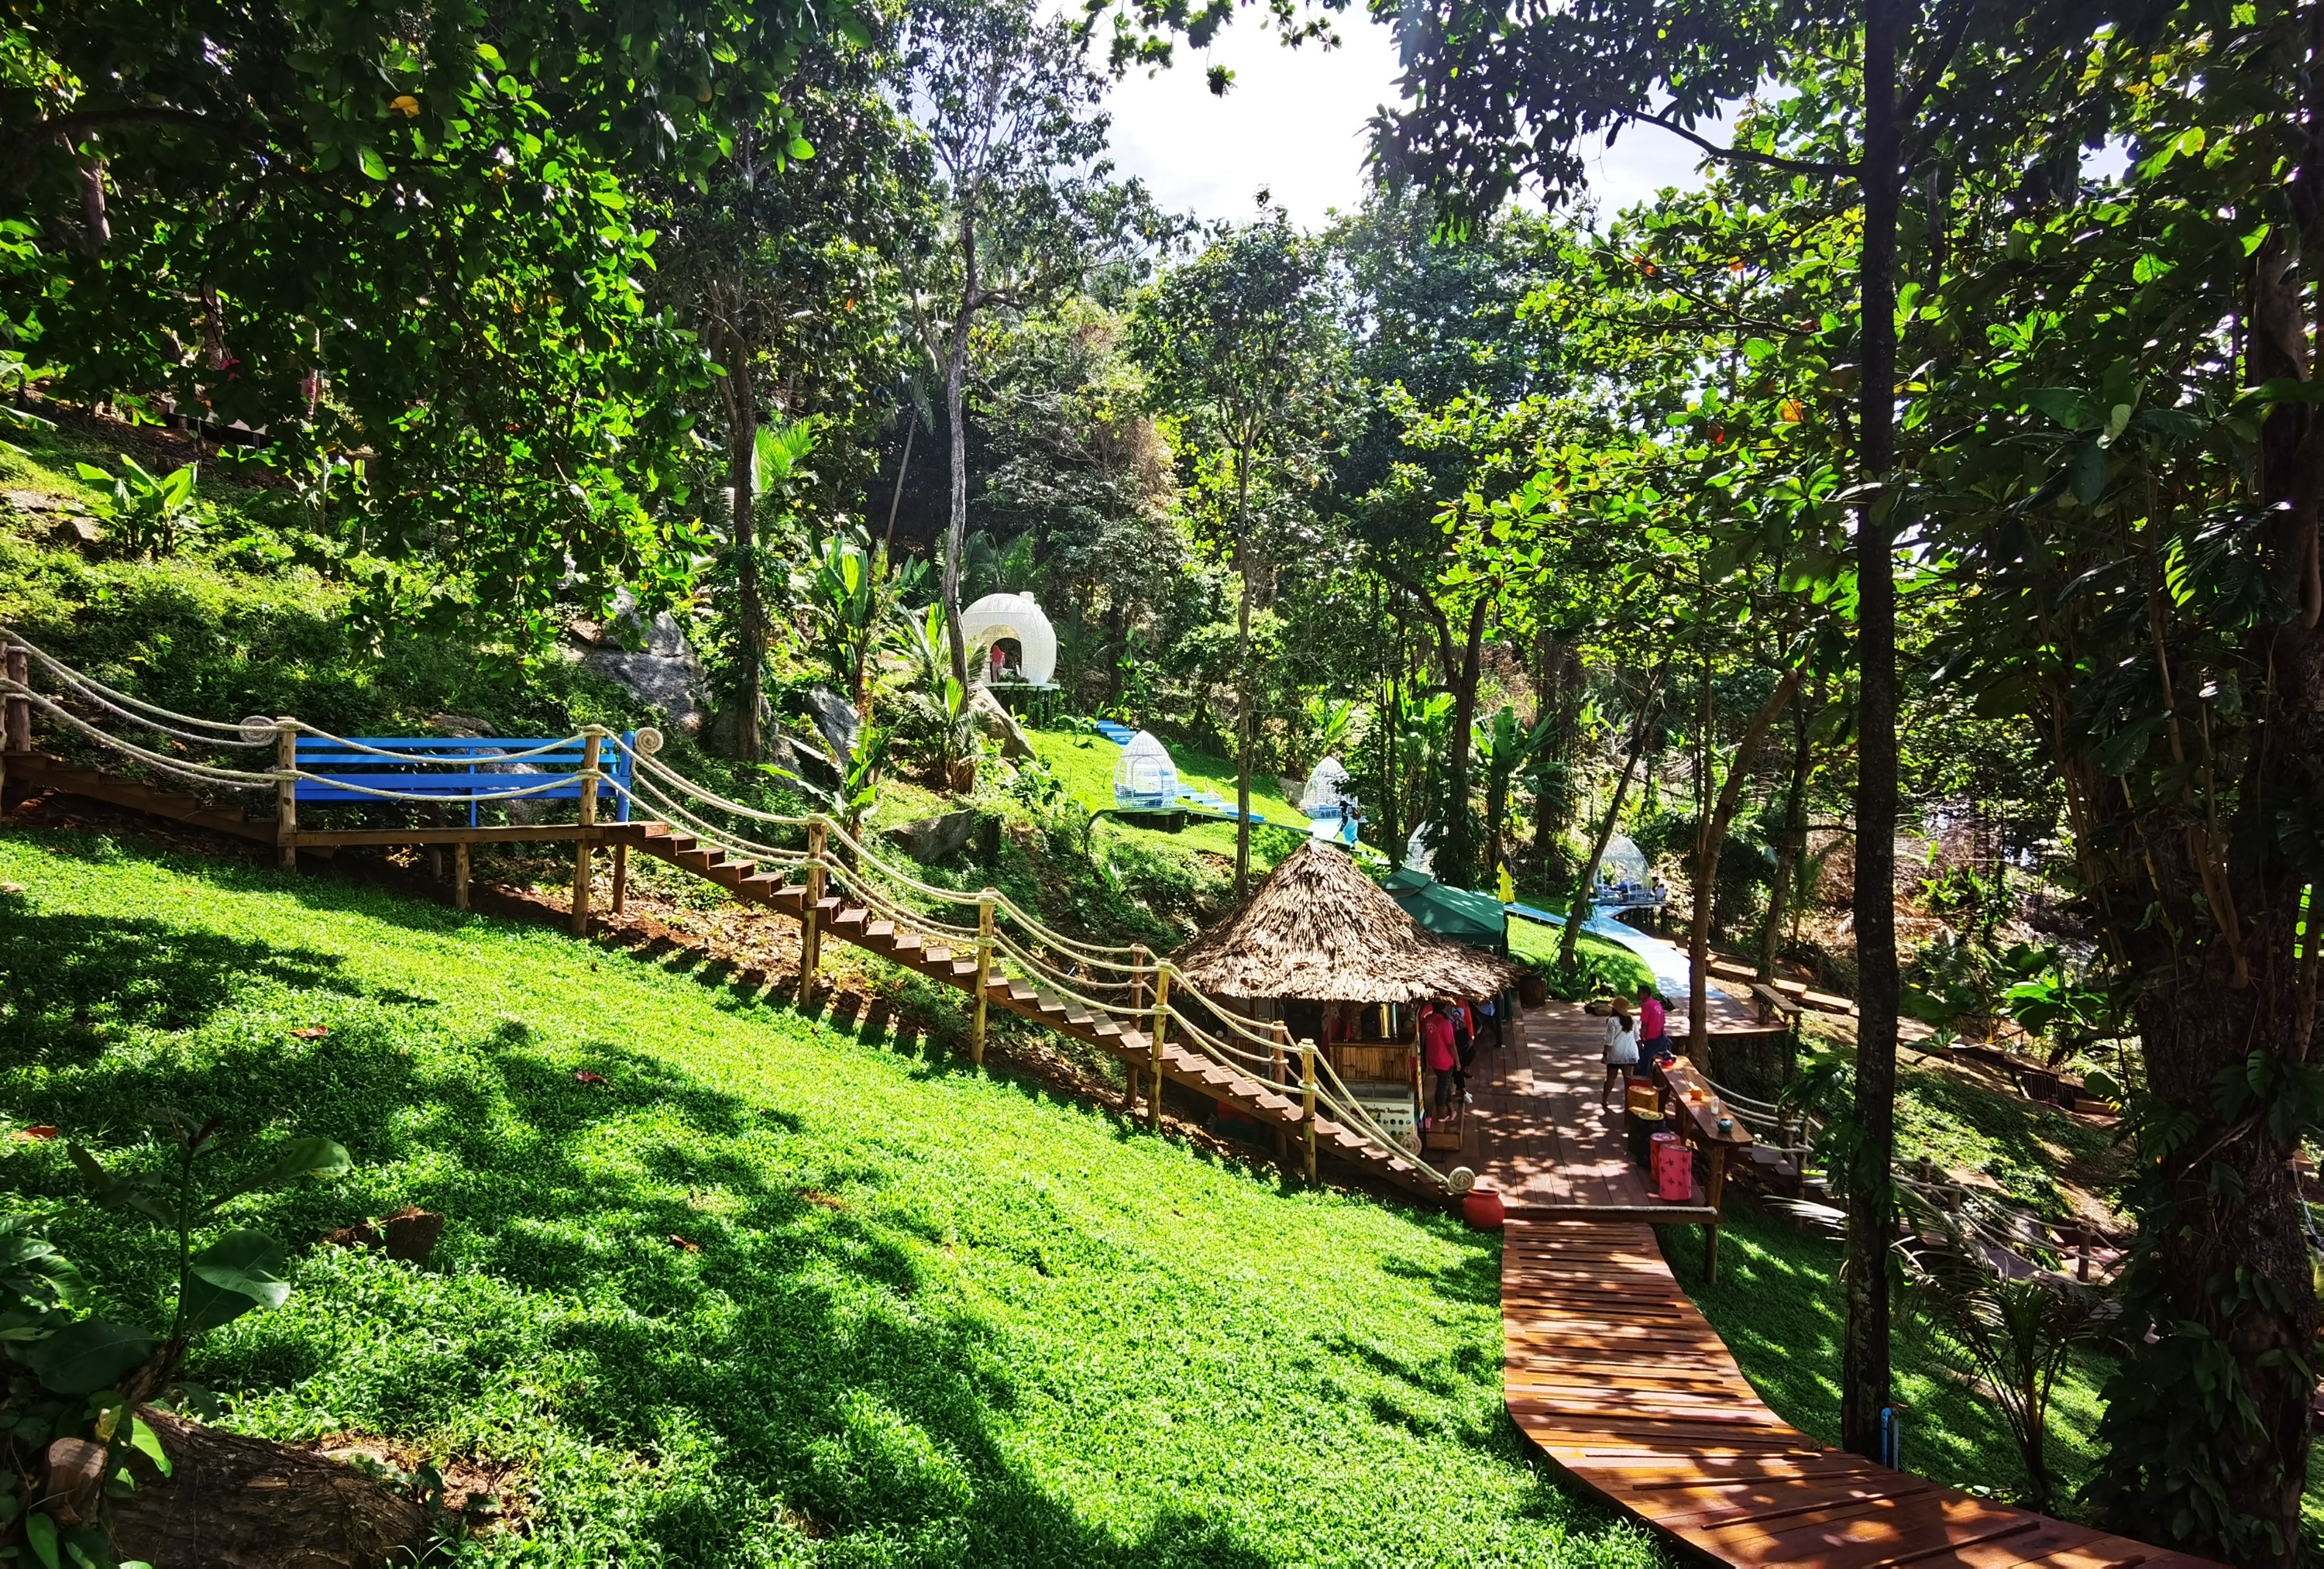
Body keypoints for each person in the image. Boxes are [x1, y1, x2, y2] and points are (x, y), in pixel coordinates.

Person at [1422, 1000, 1459, 1117]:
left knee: (1445, 1084)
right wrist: (1457, 1061)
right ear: (1445, 1008)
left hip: (1432, 1058)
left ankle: (1451, 1110)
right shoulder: (1445, 1023)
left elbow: (1423, 1030)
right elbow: (1451, 1045)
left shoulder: (1427, 1020)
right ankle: (1441, 1115)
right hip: (1445, 1061)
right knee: (1442, 1089)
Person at [1602, 996, 1641, 1106]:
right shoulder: (1632, 1020)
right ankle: (1630, 1104)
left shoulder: (1612, 1021)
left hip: (1616, 1054)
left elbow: (1609, 1040)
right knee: (1628, 1080)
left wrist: (1605, 1054)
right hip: (1630, 1053)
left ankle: (1604, 1100)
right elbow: (1637, 1038)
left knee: (1610, 1078)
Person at [1636, 983, 1669, 1062]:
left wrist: (1641, 1038)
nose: (1638, 995)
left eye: (1639, 993)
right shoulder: (1657, 1004)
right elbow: (1663, 1021)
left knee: (1643, 1062)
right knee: (1650, 1060)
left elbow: (1644, 1024)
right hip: (1660, 1037)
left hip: (1652, 1038)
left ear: (1646, 994)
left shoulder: (1646, 1005)